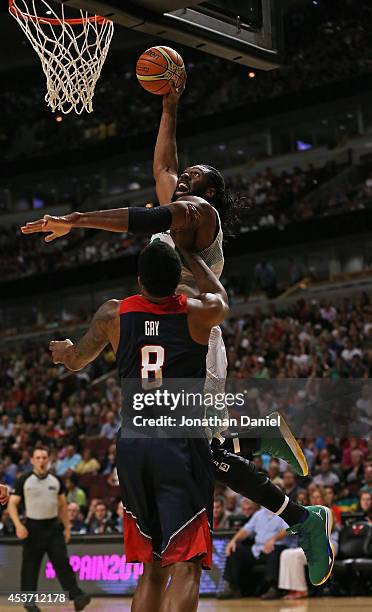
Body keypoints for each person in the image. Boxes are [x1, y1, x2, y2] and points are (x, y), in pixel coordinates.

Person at [22, 84, 334, 589]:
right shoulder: (182, 209)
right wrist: (169, 104)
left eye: (192, 178)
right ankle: (265, 451)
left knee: (204, 454)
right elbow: (163, 168)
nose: (179, 179)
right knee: (200, 453)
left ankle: (292, 499)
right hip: (167, 337)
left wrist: (75, 220)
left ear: (207, 195)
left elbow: (145, 215)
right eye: (184, 177)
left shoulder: (200, 216)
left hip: (194, 339)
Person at [48, 241, 228, 612]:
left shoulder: (113, 314)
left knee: (153, 566)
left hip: (133, 445)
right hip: (179, 445)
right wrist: (191, 254)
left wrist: (64, 350)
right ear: (178, 281)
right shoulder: (195, 313)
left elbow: (76, 359)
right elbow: (219, 297)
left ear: (139, 280)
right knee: (187, 565)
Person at [7, 446, 90, 612]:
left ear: (49, 459)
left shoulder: (56, 480)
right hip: (32, 527)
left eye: (44, 457)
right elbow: (12, 504)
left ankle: (77, 596)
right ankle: (29, 602)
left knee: (62, 563)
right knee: (30, 566)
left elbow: (63, 506)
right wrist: (18, 525)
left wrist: (67, 528)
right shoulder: (23, 479)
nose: (41, 461)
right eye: (37, 458)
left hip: (53, 528)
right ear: (32, 460)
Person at [218, 503, 289, 600]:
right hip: (258, 549)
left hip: (277, 547)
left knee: (275, 549)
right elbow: (246, 530)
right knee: (236, 549)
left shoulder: (285, 513)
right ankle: (232, 587)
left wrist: (273, 539)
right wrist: (233, 541)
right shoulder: (259, 514)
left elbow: (288, 529)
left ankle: (274, 588)